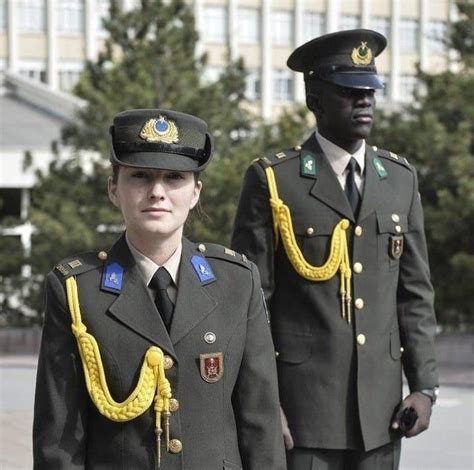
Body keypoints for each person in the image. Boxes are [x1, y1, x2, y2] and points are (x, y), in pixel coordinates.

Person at [33, 109, 286, 470]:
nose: (157, 192)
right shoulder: (77, 289)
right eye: (140, 176)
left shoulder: (237, 281)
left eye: (174, 178)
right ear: (113, 189)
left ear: (195, 192)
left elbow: (260, 424)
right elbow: (58, 439)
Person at [231, 29, 439, 469]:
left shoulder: (399, 180)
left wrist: (424, 386)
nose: (364, 101)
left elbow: (414, 293)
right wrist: (264, 403)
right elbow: (251, 304)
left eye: (370, 91)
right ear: (315, 99)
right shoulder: (276, 180)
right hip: (304, 416)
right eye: (349, 91)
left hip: (382, 416)